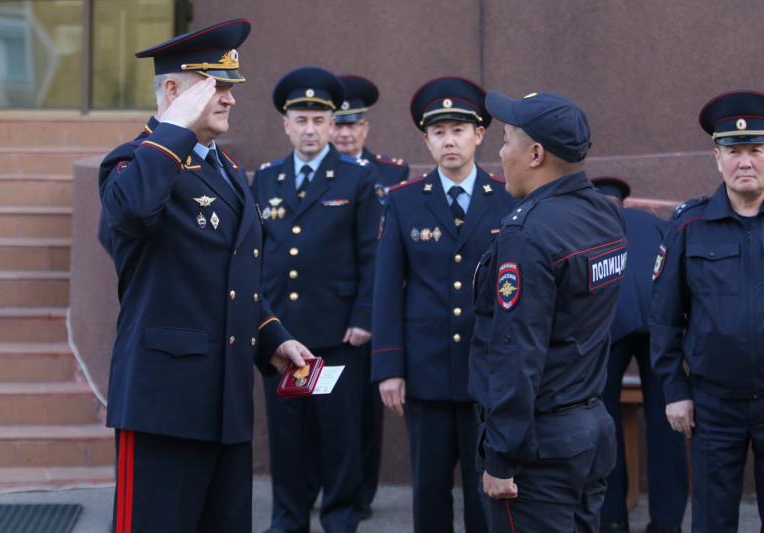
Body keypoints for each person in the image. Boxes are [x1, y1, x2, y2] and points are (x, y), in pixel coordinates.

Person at [98, 19, 313, 533]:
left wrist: (273, 338)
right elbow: (129, 216)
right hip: (163, 405)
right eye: (216, 87)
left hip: (226, 403)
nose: (231, 100)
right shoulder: (134, 163)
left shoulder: (227, 171)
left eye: (232, 87)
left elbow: (231, 280)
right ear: (173, 91)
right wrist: (173, 128)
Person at [469, 91, 625, 532]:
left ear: (535, 154)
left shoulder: (527, 234)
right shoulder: (604, 213)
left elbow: (517, 353)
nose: (499, 155)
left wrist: (501, 455)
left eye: (504, 141)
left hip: (540, 448)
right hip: (589, 427)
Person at [371, 76, 515, 533]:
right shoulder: (404, 202)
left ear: (479, 134)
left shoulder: (508, 199)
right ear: (426, 140)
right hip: (426, 372)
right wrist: (389, 366)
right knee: (429, 491)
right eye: (438, 132)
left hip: (487, 373)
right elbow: (388, 287)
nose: (448, 140)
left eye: (458, 129)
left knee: (483, 489)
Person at [253, 67, 381, 533]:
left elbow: (373, 255)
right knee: (287, 437)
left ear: (333, 125)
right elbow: (256, 256)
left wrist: (365, 315)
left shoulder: (357, 178)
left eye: (318, 121)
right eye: (300, 120)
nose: (309, 129)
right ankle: (287, 520)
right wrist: (261, 323)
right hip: (281, 333)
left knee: (338, 437)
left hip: (336, 333)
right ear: (286, 124)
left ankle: (341, 520)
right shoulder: (265, 180)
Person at [650, 90, 764, 533]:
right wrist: (675, 389)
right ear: (718, 158)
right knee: (713, 521)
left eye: (756, 151)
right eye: (735, 152)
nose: (746, 163)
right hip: (713, 404)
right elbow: (663, 316)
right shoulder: (689, 225)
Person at [591, 177, 688, 533]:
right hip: (660, 323)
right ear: (625, 202)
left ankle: (612, 518)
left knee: (604, 424)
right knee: (669, 424)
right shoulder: (657, 223)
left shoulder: (587, 223)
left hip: (607, 328)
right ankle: (667, 523)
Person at [331, 75, 410, 198]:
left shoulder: (392, 172)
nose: (344, 134)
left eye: (352, 125)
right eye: (337, 126)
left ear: (365, 129)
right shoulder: (312, 170)